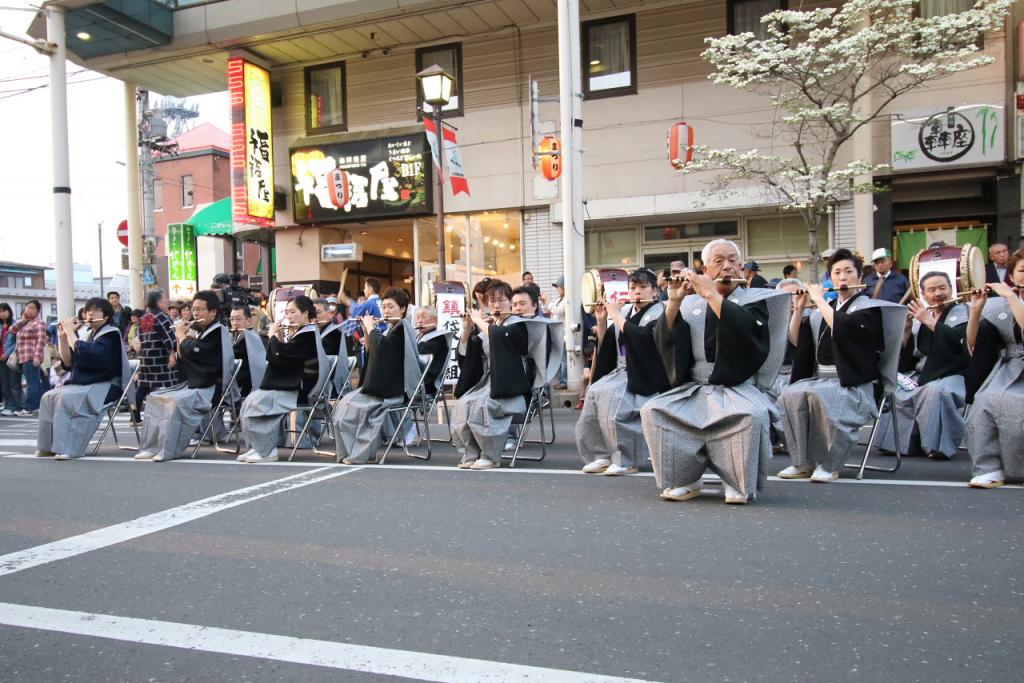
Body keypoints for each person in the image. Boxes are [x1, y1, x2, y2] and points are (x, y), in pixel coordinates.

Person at [640, 240, 788, 504]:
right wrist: (673, 303)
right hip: (695, 384)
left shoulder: (755, 300)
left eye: (732, 260)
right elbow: (666, 343)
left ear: (742, 268)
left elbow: (749, 334)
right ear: (706, 269)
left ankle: (736, 481)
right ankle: (685, 478)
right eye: (719, 261)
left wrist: (711, 295)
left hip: (736, 384)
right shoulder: (689, 302)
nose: (727, 266)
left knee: (751, 415)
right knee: (654, 411)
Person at [778, 248, 899, 483]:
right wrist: (800, 308)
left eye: (848, 271)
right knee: (790, 395)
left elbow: (842, 329)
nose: (842, 277)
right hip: (822, 379)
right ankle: (802, 461)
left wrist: (820, 300)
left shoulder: (868, 309)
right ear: (830, 278)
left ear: (860, 277)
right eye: (837, 272)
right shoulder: (823, 309)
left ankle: (828, 463)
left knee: (823, 397)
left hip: (854, 384)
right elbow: (796, 340)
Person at [452, 282, 561, 470]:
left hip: (512, 383)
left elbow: (500, 338)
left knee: (484, 405)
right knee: (464, 403)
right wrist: (467, 329)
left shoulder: (519, 324)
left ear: (509, 303)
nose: (496, 305)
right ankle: (472, 453)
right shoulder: (492, 325)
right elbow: (470, 355)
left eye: (501, 300)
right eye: (492, 301)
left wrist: (480, 321)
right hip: (488, 380)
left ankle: (490, 455)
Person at [577, 268, 667, 476]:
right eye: (633, 287)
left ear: (654, 291)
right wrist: (602, 320)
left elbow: (642, 340)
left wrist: (615, 314)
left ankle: (627, 459)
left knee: (615, 404)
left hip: (645, 373)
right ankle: (600, 454)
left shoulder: (661, 312)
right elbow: (608, 344)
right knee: (593, 394)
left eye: (643, 287)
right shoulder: (625, 312)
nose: (637, 292)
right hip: (621, 370)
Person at [875, 271, 969, 460]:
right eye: (932, 289)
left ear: (951, 289)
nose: (938, 293)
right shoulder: (922, 316)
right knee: (895, 389)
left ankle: (936, 446)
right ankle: (902, 444)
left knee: (935, 391)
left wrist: (928, 320)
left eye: (943, 288)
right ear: (924, 295)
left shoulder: (962, 312)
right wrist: (908, 329)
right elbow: (910, 357)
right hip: (923, 373)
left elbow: (958, 342)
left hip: (954, 373)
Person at [134, 291, 233, 462]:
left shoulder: (219, 331)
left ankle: (168, 449)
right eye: (193, 309)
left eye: (200, 309)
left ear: (213, 312)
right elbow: (184, 356)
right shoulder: (201, 331)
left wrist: (181, 335)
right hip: (195, 384)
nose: (195, 313)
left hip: (210, 387)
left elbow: (198, 352)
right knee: (155, 397)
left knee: (176, 403)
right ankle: (152, 446)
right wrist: (181, 338)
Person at [333, 288, 421, 464]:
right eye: (384, 307)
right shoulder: (391, 329)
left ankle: (361, 455)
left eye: (391, 307)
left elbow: (382, 351)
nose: (386, 311)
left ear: (403, 309)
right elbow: (373, 350)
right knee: (342, 407)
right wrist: (367, 330)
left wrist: (372, 328)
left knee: (357, 409)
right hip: (383, 384)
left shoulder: (403, 328)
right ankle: (349, 452)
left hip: (393, 388)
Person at [35, 298, 128, 460]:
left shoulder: (111, 334)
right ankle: (48, 446)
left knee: (67, 398)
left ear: (105, 316)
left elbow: (89, 355)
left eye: (96, 310)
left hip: (106, 385)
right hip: (87, 383)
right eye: (88, 310)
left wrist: (71, 333)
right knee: (48, 396)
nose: (90, 313)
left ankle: (69, 448)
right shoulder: (87, 335)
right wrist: (63, 337)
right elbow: (68, 363)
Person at [963, 248, 1024, 488]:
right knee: (983, 402)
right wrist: (976, 310)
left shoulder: (1009, 298)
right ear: (1011, 275)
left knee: (1015, 408)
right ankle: (989, 466)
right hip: (1010, 367)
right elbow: (973, 343)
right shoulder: (999, 304)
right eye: (1021, 270)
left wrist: (1011, 297)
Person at [238, 295, 323, 463]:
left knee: (259, 403)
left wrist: (272, 337)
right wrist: (280, 338)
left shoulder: (308, 334)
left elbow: (280, 356)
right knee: (250, 401)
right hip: (291, 383)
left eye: (292, 312)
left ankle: (267, 451)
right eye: (286, 312)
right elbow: (287, 355)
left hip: (298, 388)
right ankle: (259, 446)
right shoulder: (302, 333)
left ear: (305, 313)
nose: (288, 316)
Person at [136, 290, 178, 418]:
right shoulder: (162, 317)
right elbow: (168, 337)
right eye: (165, 298)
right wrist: (172, 354)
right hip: (160, 358)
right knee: (168, 387)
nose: (167, 301)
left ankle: (135, 415)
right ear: (158, 301)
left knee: (143, 387)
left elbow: (140, 338)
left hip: (146, 358)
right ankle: (168, 414)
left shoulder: (143, 317)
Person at [10, 299, 48, 416]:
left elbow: (40, 341)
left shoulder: (39, 323)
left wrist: (37, 357)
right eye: (28, 307)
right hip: (22, 356)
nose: (30, 310)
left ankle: (29, 407)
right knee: (34, 382)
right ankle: (37, 406)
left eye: (33, 308)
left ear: (37, 311)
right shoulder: (25, 322)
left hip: (31, 356)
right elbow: (12, 330)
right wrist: (22, 321)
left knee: (32, 383)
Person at [228, 304, 267, 401]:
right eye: (232, 319)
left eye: (238, 319)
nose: (234, 323)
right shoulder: (241, 336)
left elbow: (230, 354)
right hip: (241, 381)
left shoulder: (250, 337)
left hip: (246, 384)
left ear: (249, 321)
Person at [415, 306, 449, 394]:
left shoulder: (438, 338)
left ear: (434, 320)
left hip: (427, 383)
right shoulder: (419, 336)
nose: (419, 321)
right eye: (418, 317)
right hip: (418, 379)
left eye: (423, 317)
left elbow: (419, 349)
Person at [0, 303, 21, 416]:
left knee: (14, 383)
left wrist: (6, 353)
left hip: (12, 357)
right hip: (0, 359)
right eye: (0, 311)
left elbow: (17, 342)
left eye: (4, 310)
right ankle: (7, 405)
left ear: (9, 311)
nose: (2, 313)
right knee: (4, 384)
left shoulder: (15, 324)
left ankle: (15, 406)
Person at [550, 276, 568, 389]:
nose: (557, 289)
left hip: (565, 335)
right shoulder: (559, 300)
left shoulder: (567, 300)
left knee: (563, 360)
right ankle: (561, 380)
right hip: (557, 335)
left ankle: (564, 381)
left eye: (559, 287)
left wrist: (547, 302)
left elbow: (557, 310)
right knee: (560, 359)